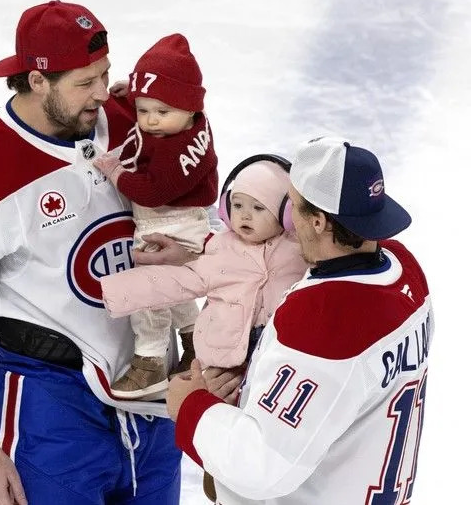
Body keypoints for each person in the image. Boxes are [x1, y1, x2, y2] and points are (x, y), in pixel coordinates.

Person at [0, 0, 240, 505]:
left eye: (106, 75)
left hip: (154, 397)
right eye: (85, 83)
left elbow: (202, 213)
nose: (104, 94)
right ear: (37, 80)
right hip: (50, 408)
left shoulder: (136, 119)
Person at [167, 136, 433, 505]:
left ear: (319, 221)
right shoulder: (406, 271)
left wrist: (192, 407)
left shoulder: (323, 320)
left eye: (291, 206)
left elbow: (260, 468)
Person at [100, 154, 310, 500]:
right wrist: (116, 290)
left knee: (263, 447)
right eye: (238, 205)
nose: (244, 216)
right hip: (224, 361)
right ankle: (219, 488)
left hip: (274, 362)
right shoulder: (221, 248)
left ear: (286, 214)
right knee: (222, 449)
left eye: (258, 209)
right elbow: (182, 281)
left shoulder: (298, 251)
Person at [93, 34, 219, 399]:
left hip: (168, 223)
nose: (149, 121)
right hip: (178, 220)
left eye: (160, 113)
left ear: (191, 109)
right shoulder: (183, 117)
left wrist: (113, 169)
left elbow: (150, 190)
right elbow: (157, 98)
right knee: (175, 289)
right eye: (143, 110)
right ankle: (195, 339)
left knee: (147, 293)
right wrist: (129, 94)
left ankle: (149, 361)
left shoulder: (178, 149)